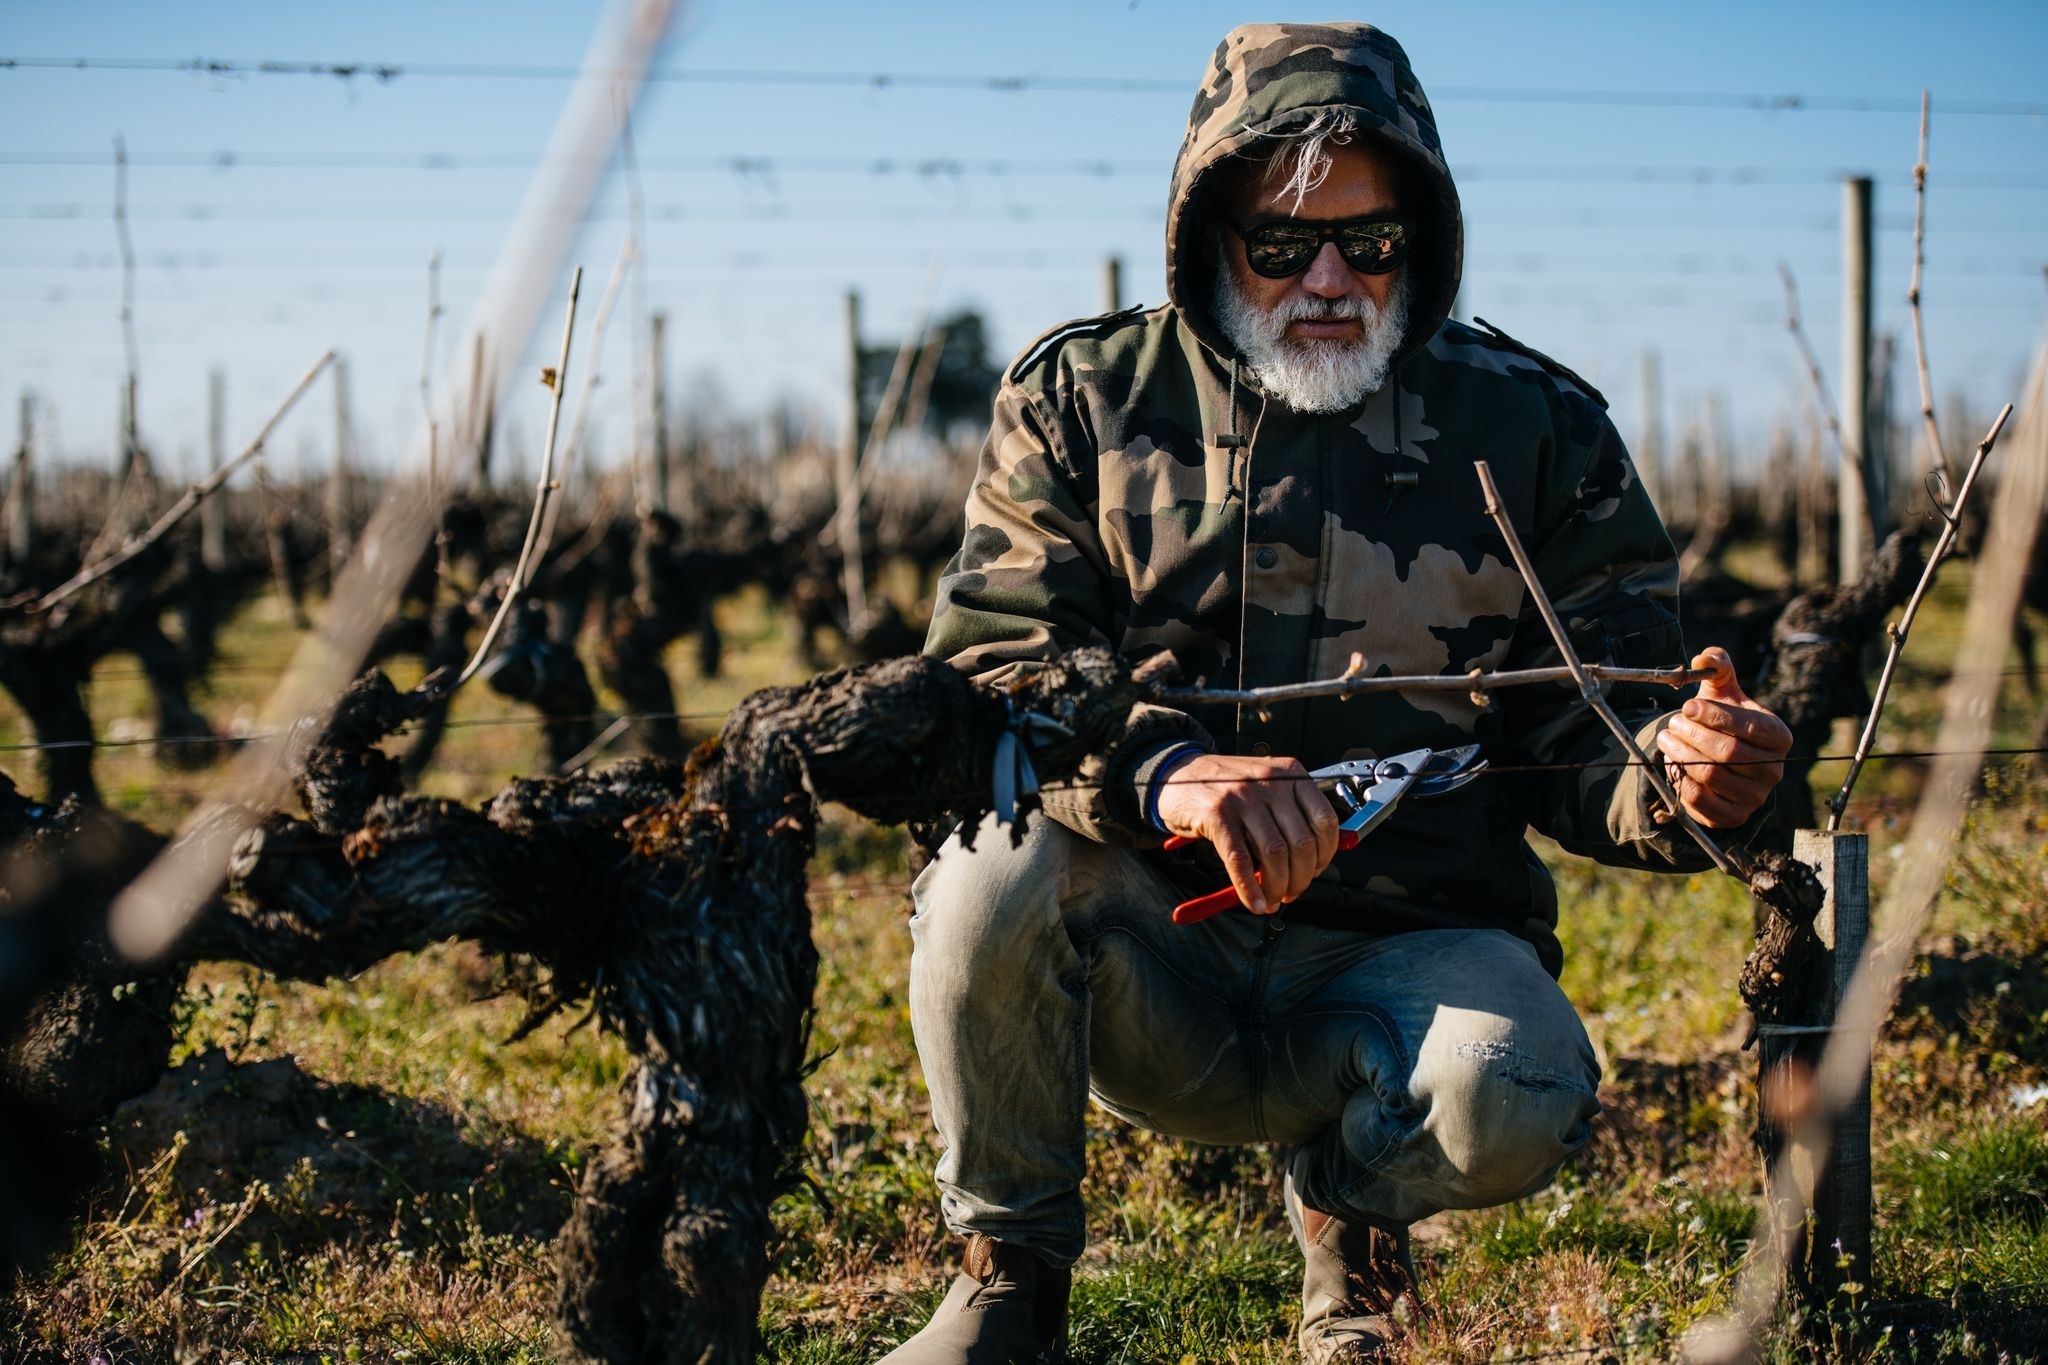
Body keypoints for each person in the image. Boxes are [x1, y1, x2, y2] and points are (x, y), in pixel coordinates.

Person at [891, 22, 1792, 1364]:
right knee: (986, 875)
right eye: (1282, 243)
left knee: (1523, 1086)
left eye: (1368, 243)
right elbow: (992, 666)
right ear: (1211, 233)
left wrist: (1681, 765)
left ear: (1418, 239)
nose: (1328, 278)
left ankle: (1353, 1230)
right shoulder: (1083, 399)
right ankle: (1008, 1271)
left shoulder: (1535, 429)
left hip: (1403, 954)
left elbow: (1594, 719)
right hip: (1153, 949)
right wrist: (1170, 775)